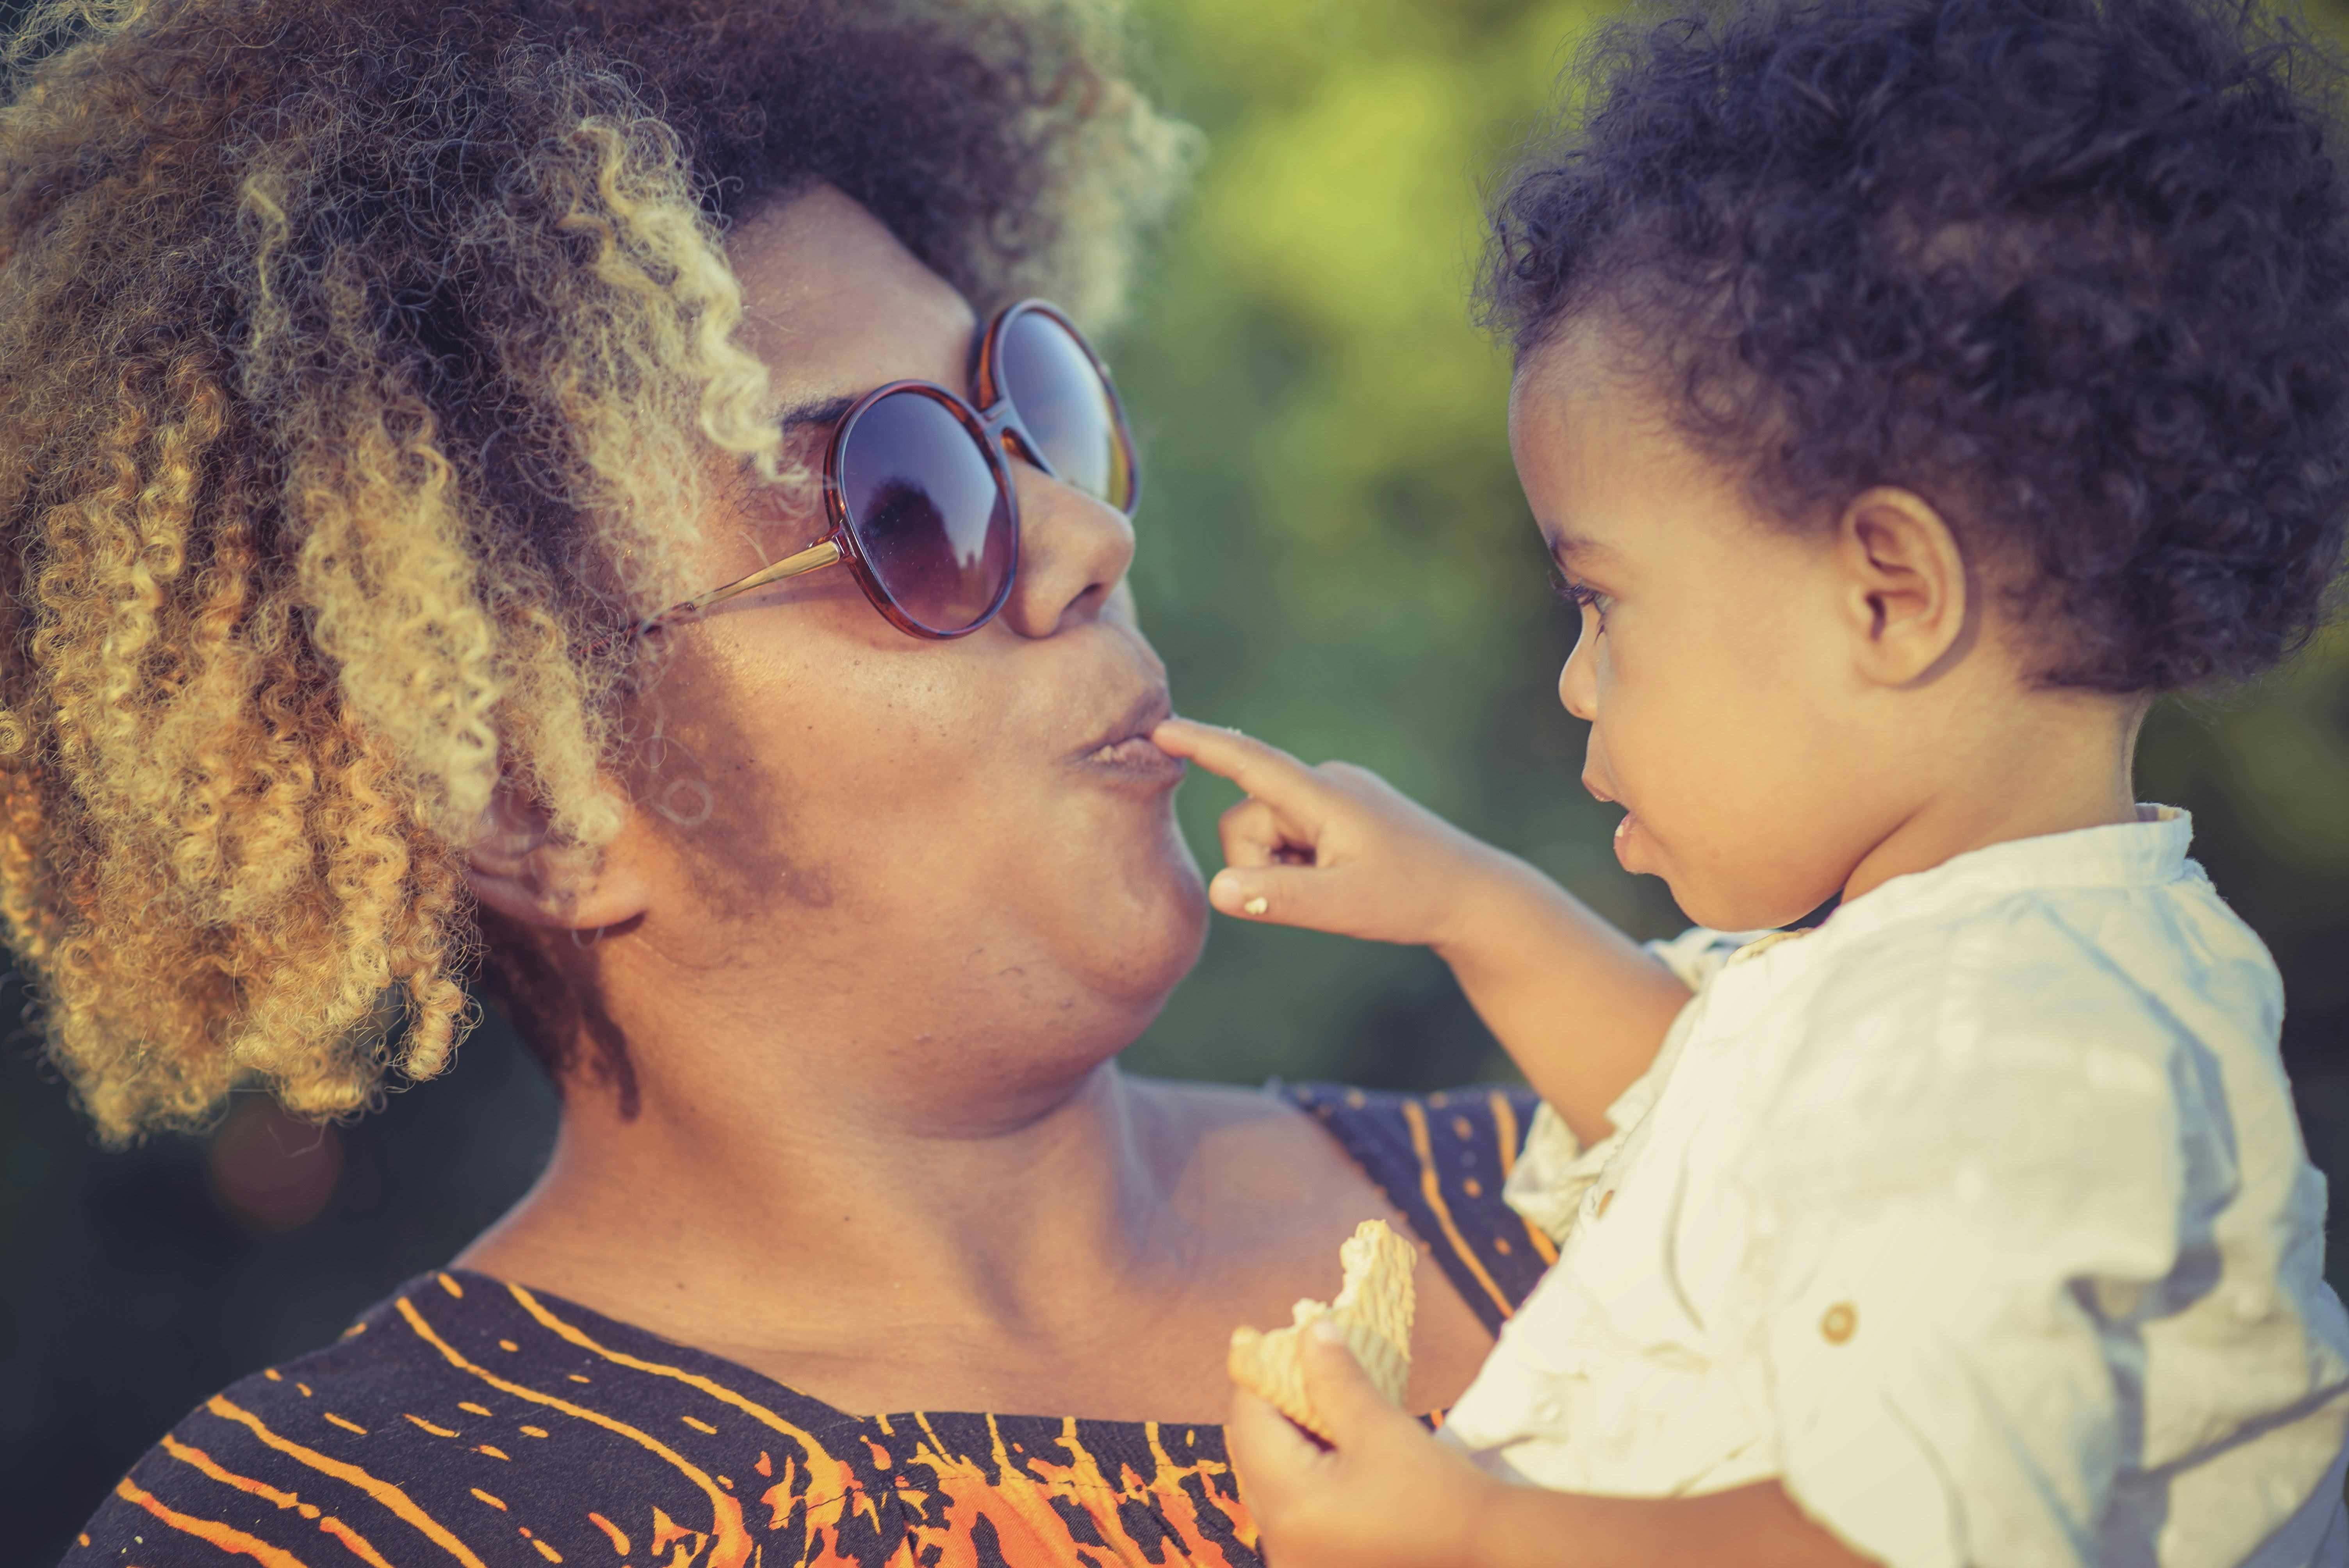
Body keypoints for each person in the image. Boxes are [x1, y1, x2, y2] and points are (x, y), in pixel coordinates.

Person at [0, 2, 1590, 1563]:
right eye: (905, 504)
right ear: (534, 802)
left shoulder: (1622, 1182)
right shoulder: (340, 1528)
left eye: (1036, 415)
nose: (1086, 543)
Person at [1155, 0, 2349, 1563]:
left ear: (1887, 596)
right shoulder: (1970, 972)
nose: (1576, 677)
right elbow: (1711, 1114)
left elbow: (1910, 1541)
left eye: (1602, 602)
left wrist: (1468, 1533)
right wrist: (1464, 902)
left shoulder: (2010, 1050)